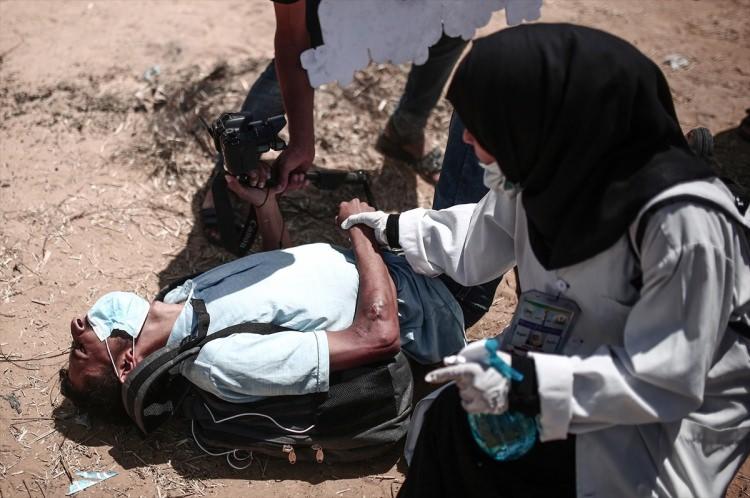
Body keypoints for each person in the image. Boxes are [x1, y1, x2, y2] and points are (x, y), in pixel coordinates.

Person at [341, 24, 750, 497]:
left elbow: (667, 380)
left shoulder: (686, 227)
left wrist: (532, 386)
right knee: (449, 426)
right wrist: (388, 227)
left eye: (483, 125)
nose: (468, 138)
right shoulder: (551, 170)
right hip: (565, 369)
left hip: (653, 423)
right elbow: (476, 237)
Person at [60, 176, 466, 418]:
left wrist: (265, 204)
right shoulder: (221, 362)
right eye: (81, 348)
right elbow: (378, 336)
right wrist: (361, 231)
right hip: (440, 296)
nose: (77, 325)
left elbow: (281, 294)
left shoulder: (181, 296)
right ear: (128, 363)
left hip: (406, 256)